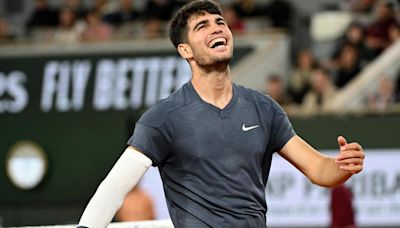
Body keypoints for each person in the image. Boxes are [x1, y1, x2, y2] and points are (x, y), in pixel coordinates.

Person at [77, 1, 365, 227]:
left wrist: (342, 166)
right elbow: (114, 188)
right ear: (185, 50)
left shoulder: (264, 108)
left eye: (220, 22)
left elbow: (319, 170)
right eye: (202, 26)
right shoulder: (163, 118)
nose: (216, 28)